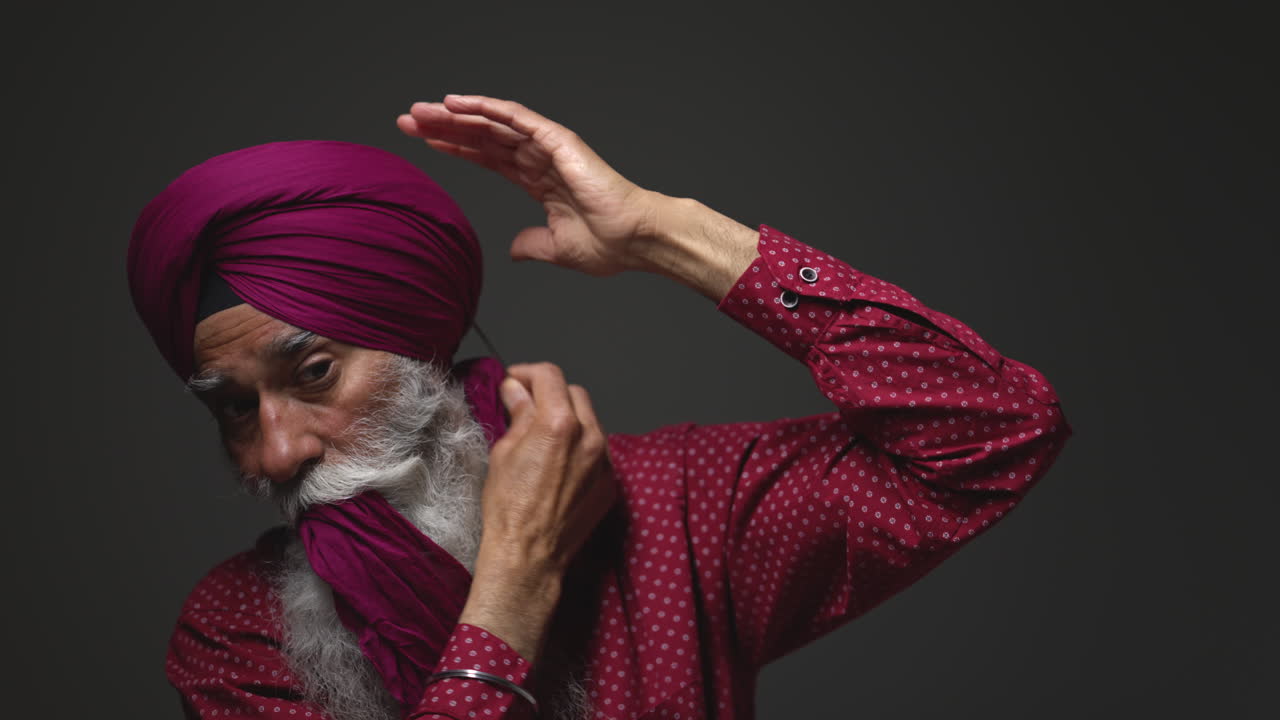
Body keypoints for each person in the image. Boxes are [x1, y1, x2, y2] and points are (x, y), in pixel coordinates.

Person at [131, 95, 1073, 720]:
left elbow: (993, 428)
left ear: (420, 344)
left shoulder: (680, 513)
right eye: (235, 412)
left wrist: (668, 234)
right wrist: (514, 585)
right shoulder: (234, 633)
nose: (277, 453)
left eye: (315, 374)